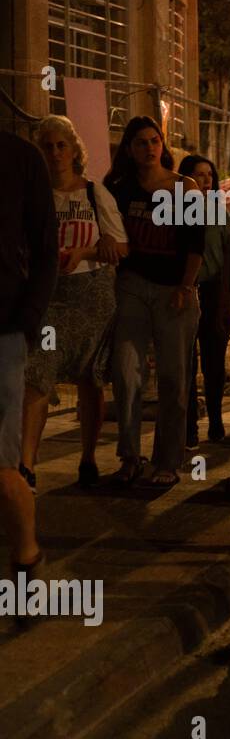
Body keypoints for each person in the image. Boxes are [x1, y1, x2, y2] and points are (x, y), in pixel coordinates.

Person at [19, 116, 128, 491]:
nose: (54, 153)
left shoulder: (96, 194)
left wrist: (86, 250)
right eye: (47, 146)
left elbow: (120, 246)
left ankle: (88, 457)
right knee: (38, 369)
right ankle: (26, 465)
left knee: (88, 379)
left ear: (74, 149)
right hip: (50, 296)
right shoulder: (35, 197)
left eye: (60, 145)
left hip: (91, 296)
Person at [104, 116, 204, 488]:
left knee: (173, 378)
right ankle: (129, 455)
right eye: (141, 143)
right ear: (129, 149)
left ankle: (167, 460)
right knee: (126, 371)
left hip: (173, 290)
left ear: (163, 145)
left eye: (154, 141)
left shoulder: (184, 188)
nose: (149, 148)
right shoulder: (120, 189)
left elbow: (196, 243)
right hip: (133, 285)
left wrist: (186, 286)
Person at [1, 131, 59, 588]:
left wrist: (28, 317)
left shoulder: (21, 158)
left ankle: (26, 557)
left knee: (1, 465)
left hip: (3, 326)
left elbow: (46, 248)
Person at [177, 154, 230, 448]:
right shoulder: (175, 211)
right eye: (198, 175)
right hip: (186, 290)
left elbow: (227, 255)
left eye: (209, 175)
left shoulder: (219, 211)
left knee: (215, 362)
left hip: (213, 292)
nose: (205, 180)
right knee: (186, 361)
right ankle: (189, 426)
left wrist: (225, 301)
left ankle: (215, 418)